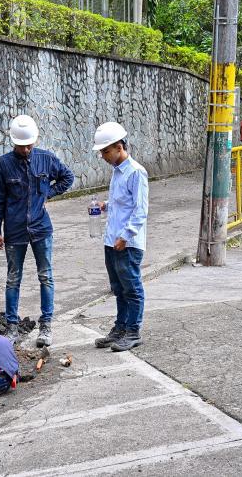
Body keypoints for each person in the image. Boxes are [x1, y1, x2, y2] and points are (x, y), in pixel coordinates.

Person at [0, 114, 74, 347]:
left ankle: (46, 325)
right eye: (21, 145)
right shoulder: (4, 164)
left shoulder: (46, 159)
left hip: (41, 229)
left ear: (35, 140)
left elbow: (68, 177)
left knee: (45, 276)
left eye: (29, 144)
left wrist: (48, 193)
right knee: (13, 279)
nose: (26, 149)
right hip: (15, 231)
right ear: (13, 142)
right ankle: (12, 327)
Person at [91, 122, 149, 352]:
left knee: (131, 287)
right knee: (118, 287)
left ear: (118, 147)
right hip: (112, 240)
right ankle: (120, 327)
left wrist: (125, 237)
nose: (103, 156)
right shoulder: (117, 172)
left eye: (106, 151)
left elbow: (140, 209)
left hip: (127, 243)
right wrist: (104, 205)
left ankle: (133, 331)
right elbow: (121, 203)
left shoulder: (136, 172)